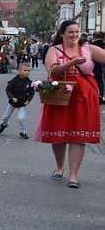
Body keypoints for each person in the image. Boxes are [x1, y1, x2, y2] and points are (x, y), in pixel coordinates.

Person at [36, 21, 105, 188]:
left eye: (76, 32)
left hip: (84, 95)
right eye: (70, 32)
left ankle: (74, 175)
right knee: (59, 133)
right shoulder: (55, 50)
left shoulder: (89, 49)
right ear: (62, 34)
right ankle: (60, 167)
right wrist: (72, 62)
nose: (74, 35)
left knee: (79, 136)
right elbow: (53, 70)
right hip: (61, 93)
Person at [0, 61, 34, 139]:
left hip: (22, 103)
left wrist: (28, 100)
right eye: (25, 70)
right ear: (20, 71)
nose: (27, 72)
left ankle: (23, 132)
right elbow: (8, 90)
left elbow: (31, 93)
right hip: (12, 102)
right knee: (6, 116)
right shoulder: (14, 81)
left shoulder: (29, 83)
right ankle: (4, 124)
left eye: (28, 71)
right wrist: (12, 97)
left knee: (21, 118)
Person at [89, 31, 105, 103]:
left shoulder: (92, 45)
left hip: (95, 65)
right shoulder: (103, 44)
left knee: (95, 79)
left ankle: (96, 94)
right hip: (102, 64)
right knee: (101, 80)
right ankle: (101, 94)